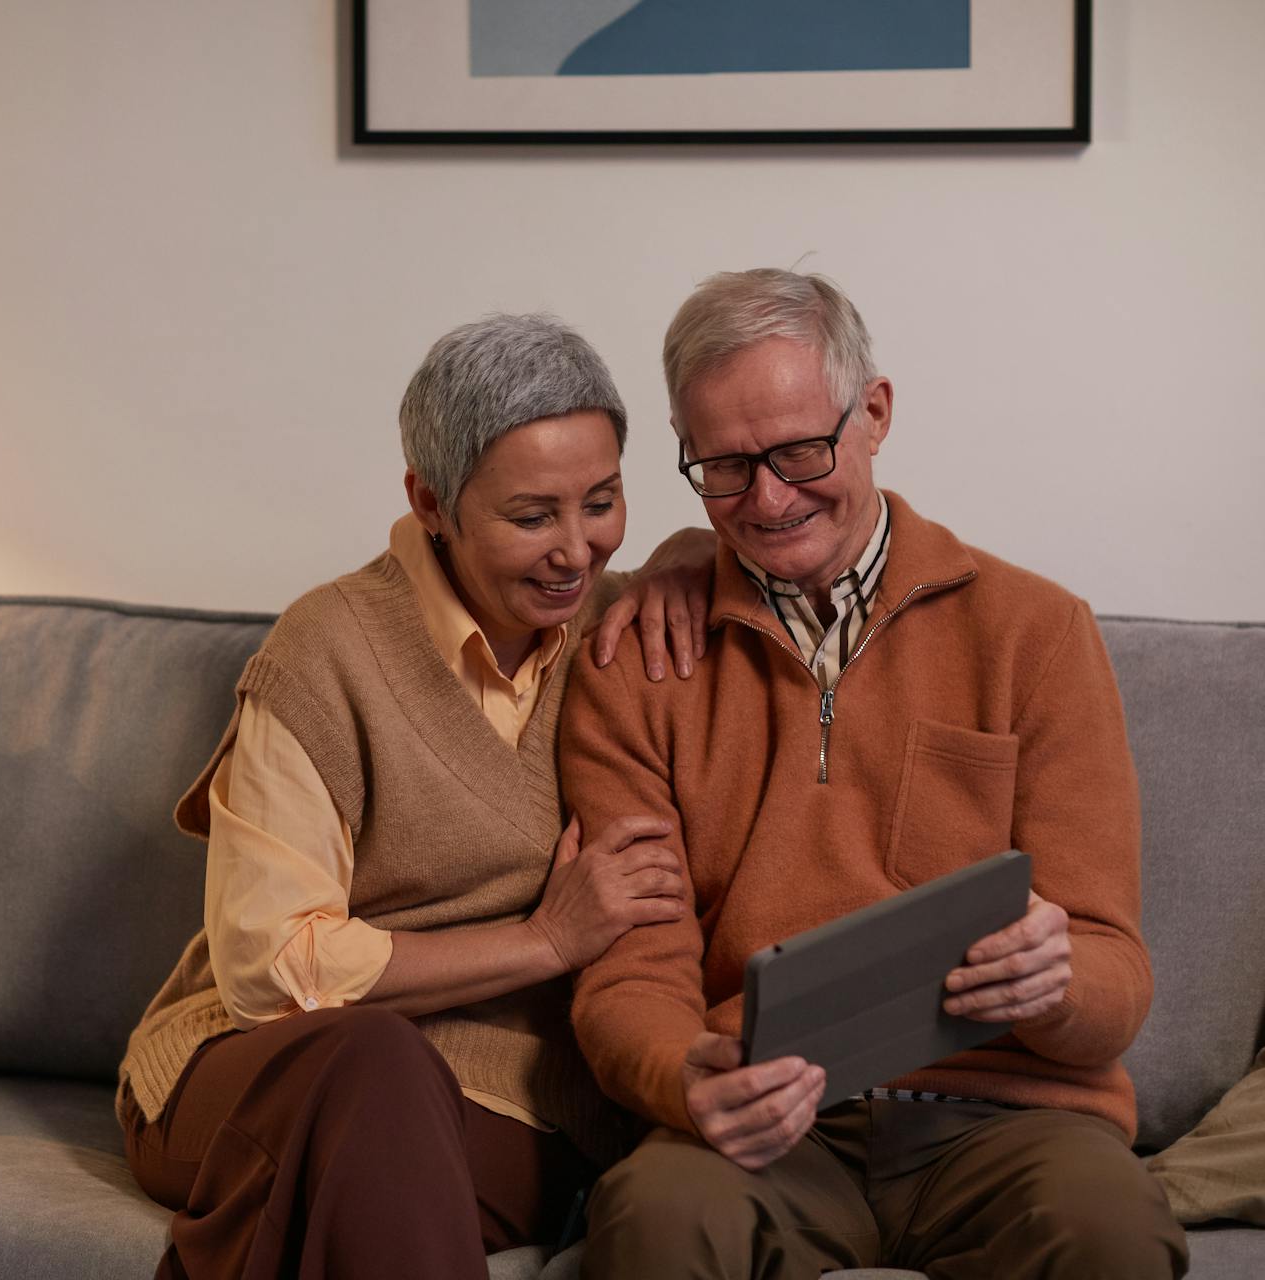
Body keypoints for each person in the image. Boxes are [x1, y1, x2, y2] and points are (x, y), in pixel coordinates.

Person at [560, 268, 1189, 1279]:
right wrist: (683, 1076)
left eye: (799, 450)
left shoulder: (1034, 632)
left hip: (1003, 1120)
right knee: (653, 1218)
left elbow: (1113, 966)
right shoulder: (637, 658)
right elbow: (630, 966)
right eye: (721, 467)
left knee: (1111, 1235)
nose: (765, 498)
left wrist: (1056, 981)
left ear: (875, 412)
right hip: (766, 1125)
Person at [116, 313, 694, 1279]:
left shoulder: (627, 632)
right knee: (373, 1062)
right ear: (430, 501)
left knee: (362, 1157)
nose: (574, 551)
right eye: (529, 516)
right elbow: (268, 963)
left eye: (602, 502)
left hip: (509, 1101)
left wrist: (692, 556)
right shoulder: (325, 650)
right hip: (262, 1069)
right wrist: (544, 942)